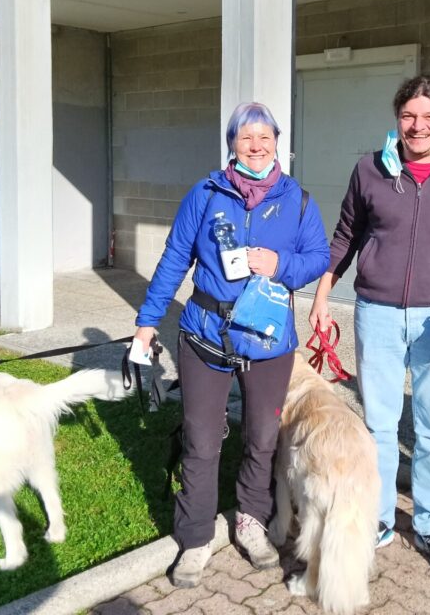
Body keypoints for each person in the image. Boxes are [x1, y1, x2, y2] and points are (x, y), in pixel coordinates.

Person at [133, 102, 329, 589]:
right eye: (246, 138)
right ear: (232, 144)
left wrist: (278, 263)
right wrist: (146, 321)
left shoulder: (299, 201)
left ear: (277, 142)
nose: (257, 146)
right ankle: (196, 538)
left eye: (265, 137)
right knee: (201, 440)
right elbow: (175, 257)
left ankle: (251, 521)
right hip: (204, 335)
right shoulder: (205, 193)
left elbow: (319, 258)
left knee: (262, 438)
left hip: (267, 340)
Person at [308, 74, 430, 574]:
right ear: (398, 119)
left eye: (429, 117)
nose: (419, 126)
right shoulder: (371, 169)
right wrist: (323, 291)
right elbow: (346, 233)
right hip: (378, 313)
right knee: (379, 425)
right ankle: (380, 517)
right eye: (410, 116)